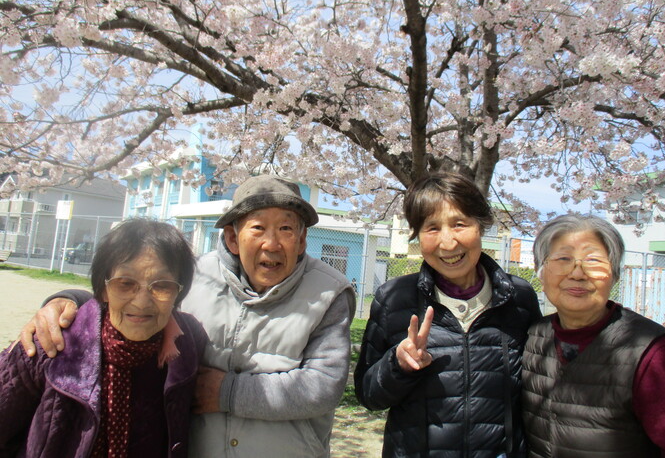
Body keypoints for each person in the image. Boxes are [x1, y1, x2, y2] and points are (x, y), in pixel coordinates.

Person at [19, 174, 356, 458]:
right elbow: (140, 306)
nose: (272, 243)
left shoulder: (329, 293)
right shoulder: (197, 275)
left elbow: (323, 385)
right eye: (258, 228)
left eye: (286, 229)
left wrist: (227, 392)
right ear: (232, 238)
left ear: (301, 240)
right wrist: (71, 301)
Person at [354, 172, 542, 457]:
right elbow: (368, 395)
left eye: (459, 224)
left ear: (480, 226)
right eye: (431, 228)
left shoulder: (519, 298)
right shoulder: (395, 299)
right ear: (417, 235)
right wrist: (398, 365)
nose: (448, 242)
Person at [0, 218, 208, 457]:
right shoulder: (50, 344)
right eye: (125, 283)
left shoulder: (188, 344)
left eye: (162, 286)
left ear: (178, 292)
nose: (141, 302)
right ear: (103, 288)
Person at [522, 214, 665, 458]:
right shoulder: (533, 335)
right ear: (540, 272)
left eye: (593, 261)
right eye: (563, 259)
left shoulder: (653, 352)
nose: (578, 274)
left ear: (614, 275)